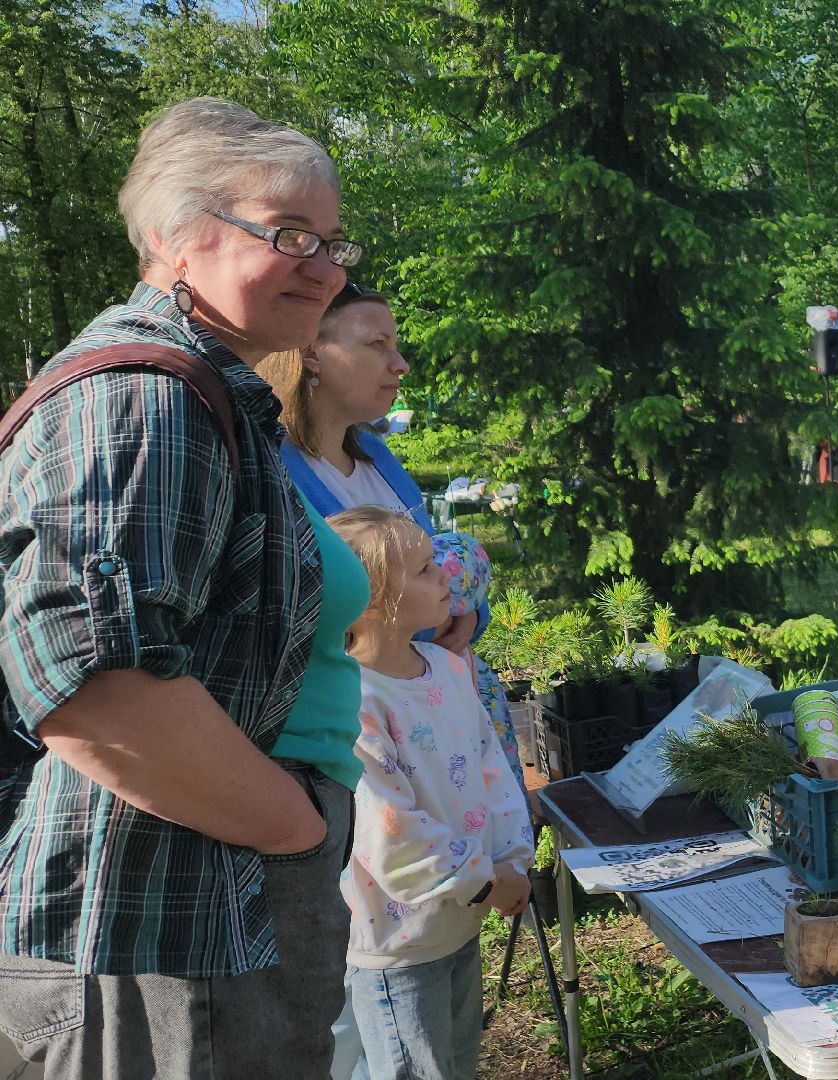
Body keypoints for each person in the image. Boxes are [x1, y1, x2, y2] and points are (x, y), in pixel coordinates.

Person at [0, 98, 366, 1078]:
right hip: (175, 922)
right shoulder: (147, 395)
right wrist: (295, 830)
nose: (328, 268)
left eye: (333, 242)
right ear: (175, 236)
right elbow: (94, 688)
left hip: (198, 906)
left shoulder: (201, 391)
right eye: (289, 233)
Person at [258, 286, 518, 767]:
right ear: (311, 353)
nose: (400, 364)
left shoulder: (375, 456)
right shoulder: (274, 471)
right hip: (380, 729)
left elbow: (422, 565)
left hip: (448, 699)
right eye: (377, 345)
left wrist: (465, 615)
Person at [327, 507, 534, 1080]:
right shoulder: (354, 699)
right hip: (398, 946)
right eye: (423, 569)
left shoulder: (446, 668)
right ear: (370, 600)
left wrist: (511, 859)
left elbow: (491, 768)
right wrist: (486, 880)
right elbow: (390, 830)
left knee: (457, 1064)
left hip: (459, 923)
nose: (445, 574)